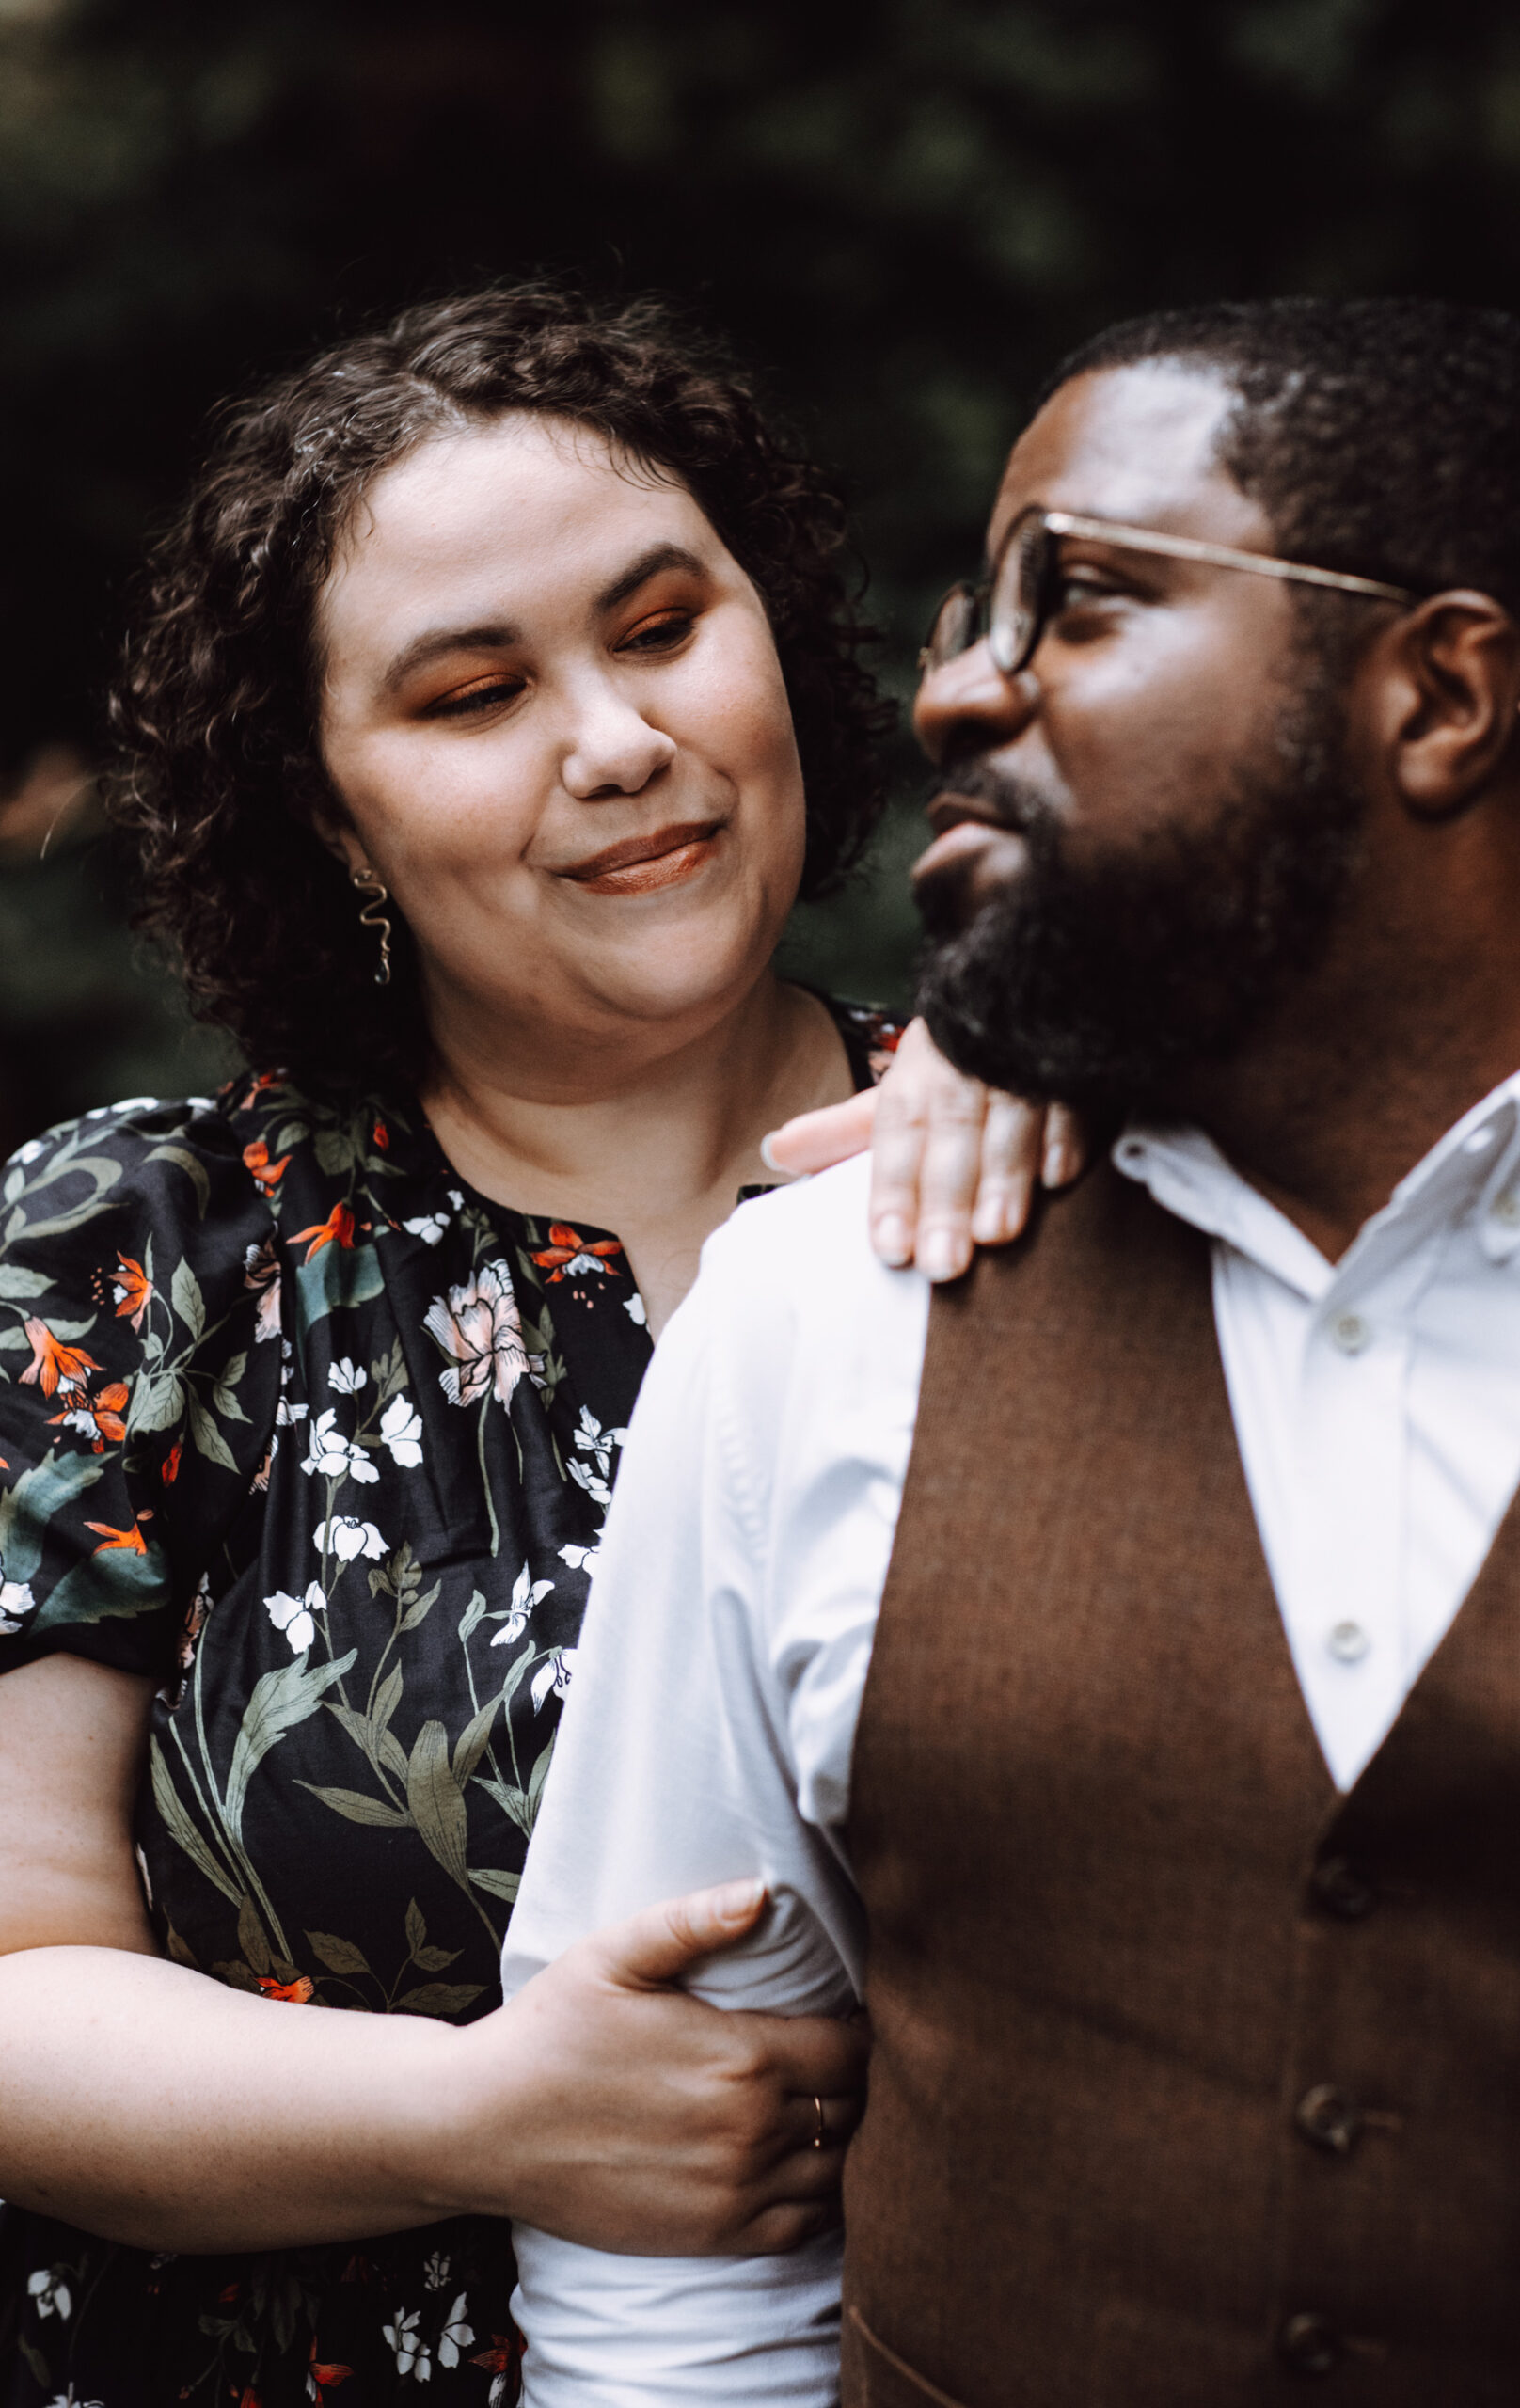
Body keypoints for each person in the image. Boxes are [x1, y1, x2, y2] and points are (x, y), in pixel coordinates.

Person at [503, 296, 1520, 2406]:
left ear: (1440, 691)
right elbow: (669, 2233)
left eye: (1073, 601)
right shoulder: (828, 1300)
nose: (952, 691)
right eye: (960, 614)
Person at [0, 283, 1058, 2406]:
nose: (614, 740)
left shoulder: (1034, 1171)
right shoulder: (150, 1243)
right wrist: (478, 2115)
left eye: (664, 627)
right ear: (328, 808)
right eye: (474, 693)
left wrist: (1097, 1091)